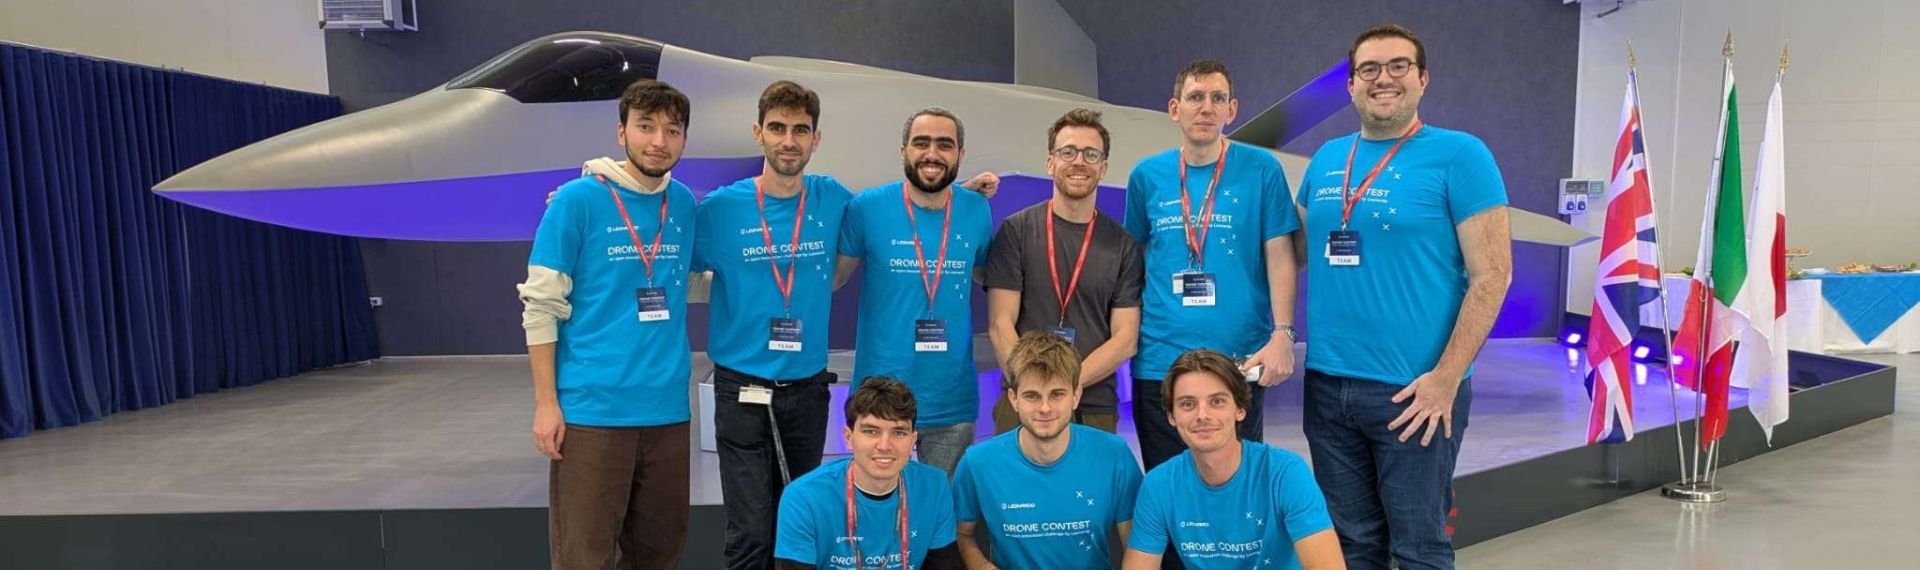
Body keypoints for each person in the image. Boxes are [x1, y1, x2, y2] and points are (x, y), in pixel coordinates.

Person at [1295, 24, 1512, 570]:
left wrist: (1446, 378)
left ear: (1422, 79)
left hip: (1415, 393)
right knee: (1352, 545)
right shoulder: (1324, 159)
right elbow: (1290, 252)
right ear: (1351, 85)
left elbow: (1493, 275)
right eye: (1369, 69)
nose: (1383, 79)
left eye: (1397, 66)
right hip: (1326, 387)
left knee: (1419, 548)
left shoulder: (1461, 155)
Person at [517, 79, 697, 570]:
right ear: (621, 133)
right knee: (585, 557)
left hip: (666, 413)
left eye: (671, 130)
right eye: (645, 127)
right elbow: (540, 306)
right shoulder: (576, 201)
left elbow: (689, 280)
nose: (658, 140)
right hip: (594, 413)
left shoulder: (682, 204)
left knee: (659, 554)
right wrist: (546, 404)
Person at [691, 80, 851, 570]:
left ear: (816, 140)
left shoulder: (834, 200)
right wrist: (599, 188)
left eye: (800, 130)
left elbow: (899, 212)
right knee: (751, 530)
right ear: (758, 132)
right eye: (777, 128)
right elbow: (660, 241)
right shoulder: (720, 209)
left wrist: (958, 194)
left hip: (806, 391)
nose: (788, 140)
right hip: (741, 390)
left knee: (798, 524)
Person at [1124, 60, 1301, 471]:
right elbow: (1131, 261)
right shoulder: (1146, 176)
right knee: (1166, 485)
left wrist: (1283, 333)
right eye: (1195, 97)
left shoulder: (1262, 170)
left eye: (1217, 98)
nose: (1206, 108)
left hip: (1239, 358)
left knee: (1235, 485)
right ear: (1174, 108)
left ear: (1232, 109)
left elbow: (1280, 255)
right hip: (1160, 358)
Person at [835, 107, 995, 476]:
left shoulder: (976, 210)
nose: (932, 154)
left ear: (960, 154)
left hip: (951, 401)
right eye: (921, 143)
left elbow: (990, 275)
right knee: (880, 516)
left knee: (943, 520)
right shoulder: (867, 208)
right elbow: (833, 279)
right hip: (880, 400)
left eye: (944, 144)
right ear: (903, 150)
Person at [984, 108, 1144, 434]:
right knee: (1013, 487)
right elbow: (1001, 324)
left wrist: (1066, 388)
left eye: (1090, 153)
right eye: (1067, 152)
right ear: (1050, 162)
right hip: (1023, 404)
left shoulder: (1123, 245)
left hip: (1093, 404)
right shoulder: (1016, 231)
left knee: (1091, 487)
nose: (1079, 161)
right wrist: (1036, 389)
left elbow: (1126, 338)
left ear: (1103, 167)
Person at [1121, 350, 1344, 570]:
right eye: (1187, 404)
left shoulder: (1285, 473)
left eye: (1216, 401)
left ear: (1240, 410)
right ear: (1171, 416)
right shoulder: (1159, 485)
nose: (1202, 415)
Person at [952, 331, 1142, 569]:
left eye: (1057, 395)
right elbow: (961, 535)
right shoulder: (978, 463)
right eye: (1032, 396)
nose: (1045, 408)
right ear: (1013, 399)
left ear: (1076, 396)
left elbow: (1138, 547)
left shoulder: (1115, 455)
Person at [774, 377, 964, 569]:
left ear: (913, 440)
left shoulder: (934, 486)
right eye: (871, 431)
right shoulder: (804, 498)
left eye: (898, 433)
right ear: (849, 438)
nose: (884, 446)